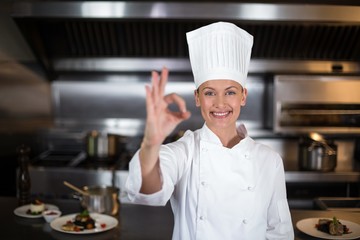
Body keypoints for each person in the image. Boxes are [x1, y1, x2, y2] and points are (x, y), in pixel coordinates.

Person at [125, 21, 294, 240]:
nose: (220, 103)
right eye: (210, 93)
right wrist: (151, 143)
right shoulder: (186, 152)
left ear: (243, 96)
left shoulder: (269, 161)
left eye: (230, 92)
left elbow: (279, 233)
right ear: (197, 97)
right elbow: (148, 191)